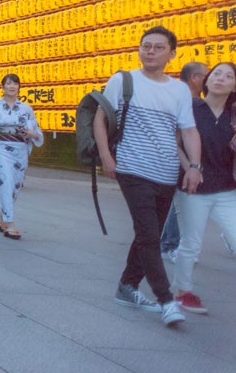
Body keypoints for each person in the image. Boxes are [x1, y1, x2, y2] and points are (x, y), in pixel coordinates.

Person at [94, 26, 201, 328]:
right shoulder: (123, 80)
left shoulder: (179, 90)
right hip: (132, 168)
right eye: (145, 46)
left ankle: (127, 287)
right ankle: (167, 301)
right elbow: (101, 119)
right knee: (150, 235)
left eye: (157, 47)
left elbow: (188, 130)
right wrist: (105, 155)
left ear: (172, 53)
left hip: (166, 173)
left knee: (147, 234)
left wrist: (195, 166)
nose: (150, 51)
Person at [170, 62, 236, 315]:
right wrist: (190, 169)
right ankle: (182, 292)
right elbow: (175, 143)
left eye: (229, 76)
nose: (221, 78)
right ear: (206, 81)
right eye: (217, 73)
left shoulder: (233, 114)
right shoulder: (191, 107)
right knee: (191, 243)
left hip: (227, 189)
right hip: (193, 189)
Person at [0, 74, 42, 239]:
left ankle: (2, 216)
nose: (12, 86)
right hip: (1, 148)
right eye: (8, 83)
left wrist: (31, 133)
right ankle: (9, 222)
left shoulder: (26, 109)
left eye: (15, 83)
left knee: (15, 185)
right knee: (5, 181)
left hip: (20, 149)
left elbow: (37, 132)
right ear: (3, 87)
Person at [160, 61, 210, 259]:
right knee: (181, 203)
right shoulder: (187, 102)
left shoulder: (184, 100)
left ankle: (170, 243)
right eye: (207, 75)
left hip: (187, 163)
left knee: (180, 203)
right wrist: (190, 165)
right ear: (195, 78)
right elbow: (177, 137)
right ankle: (170, 245)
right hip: (182, 162)